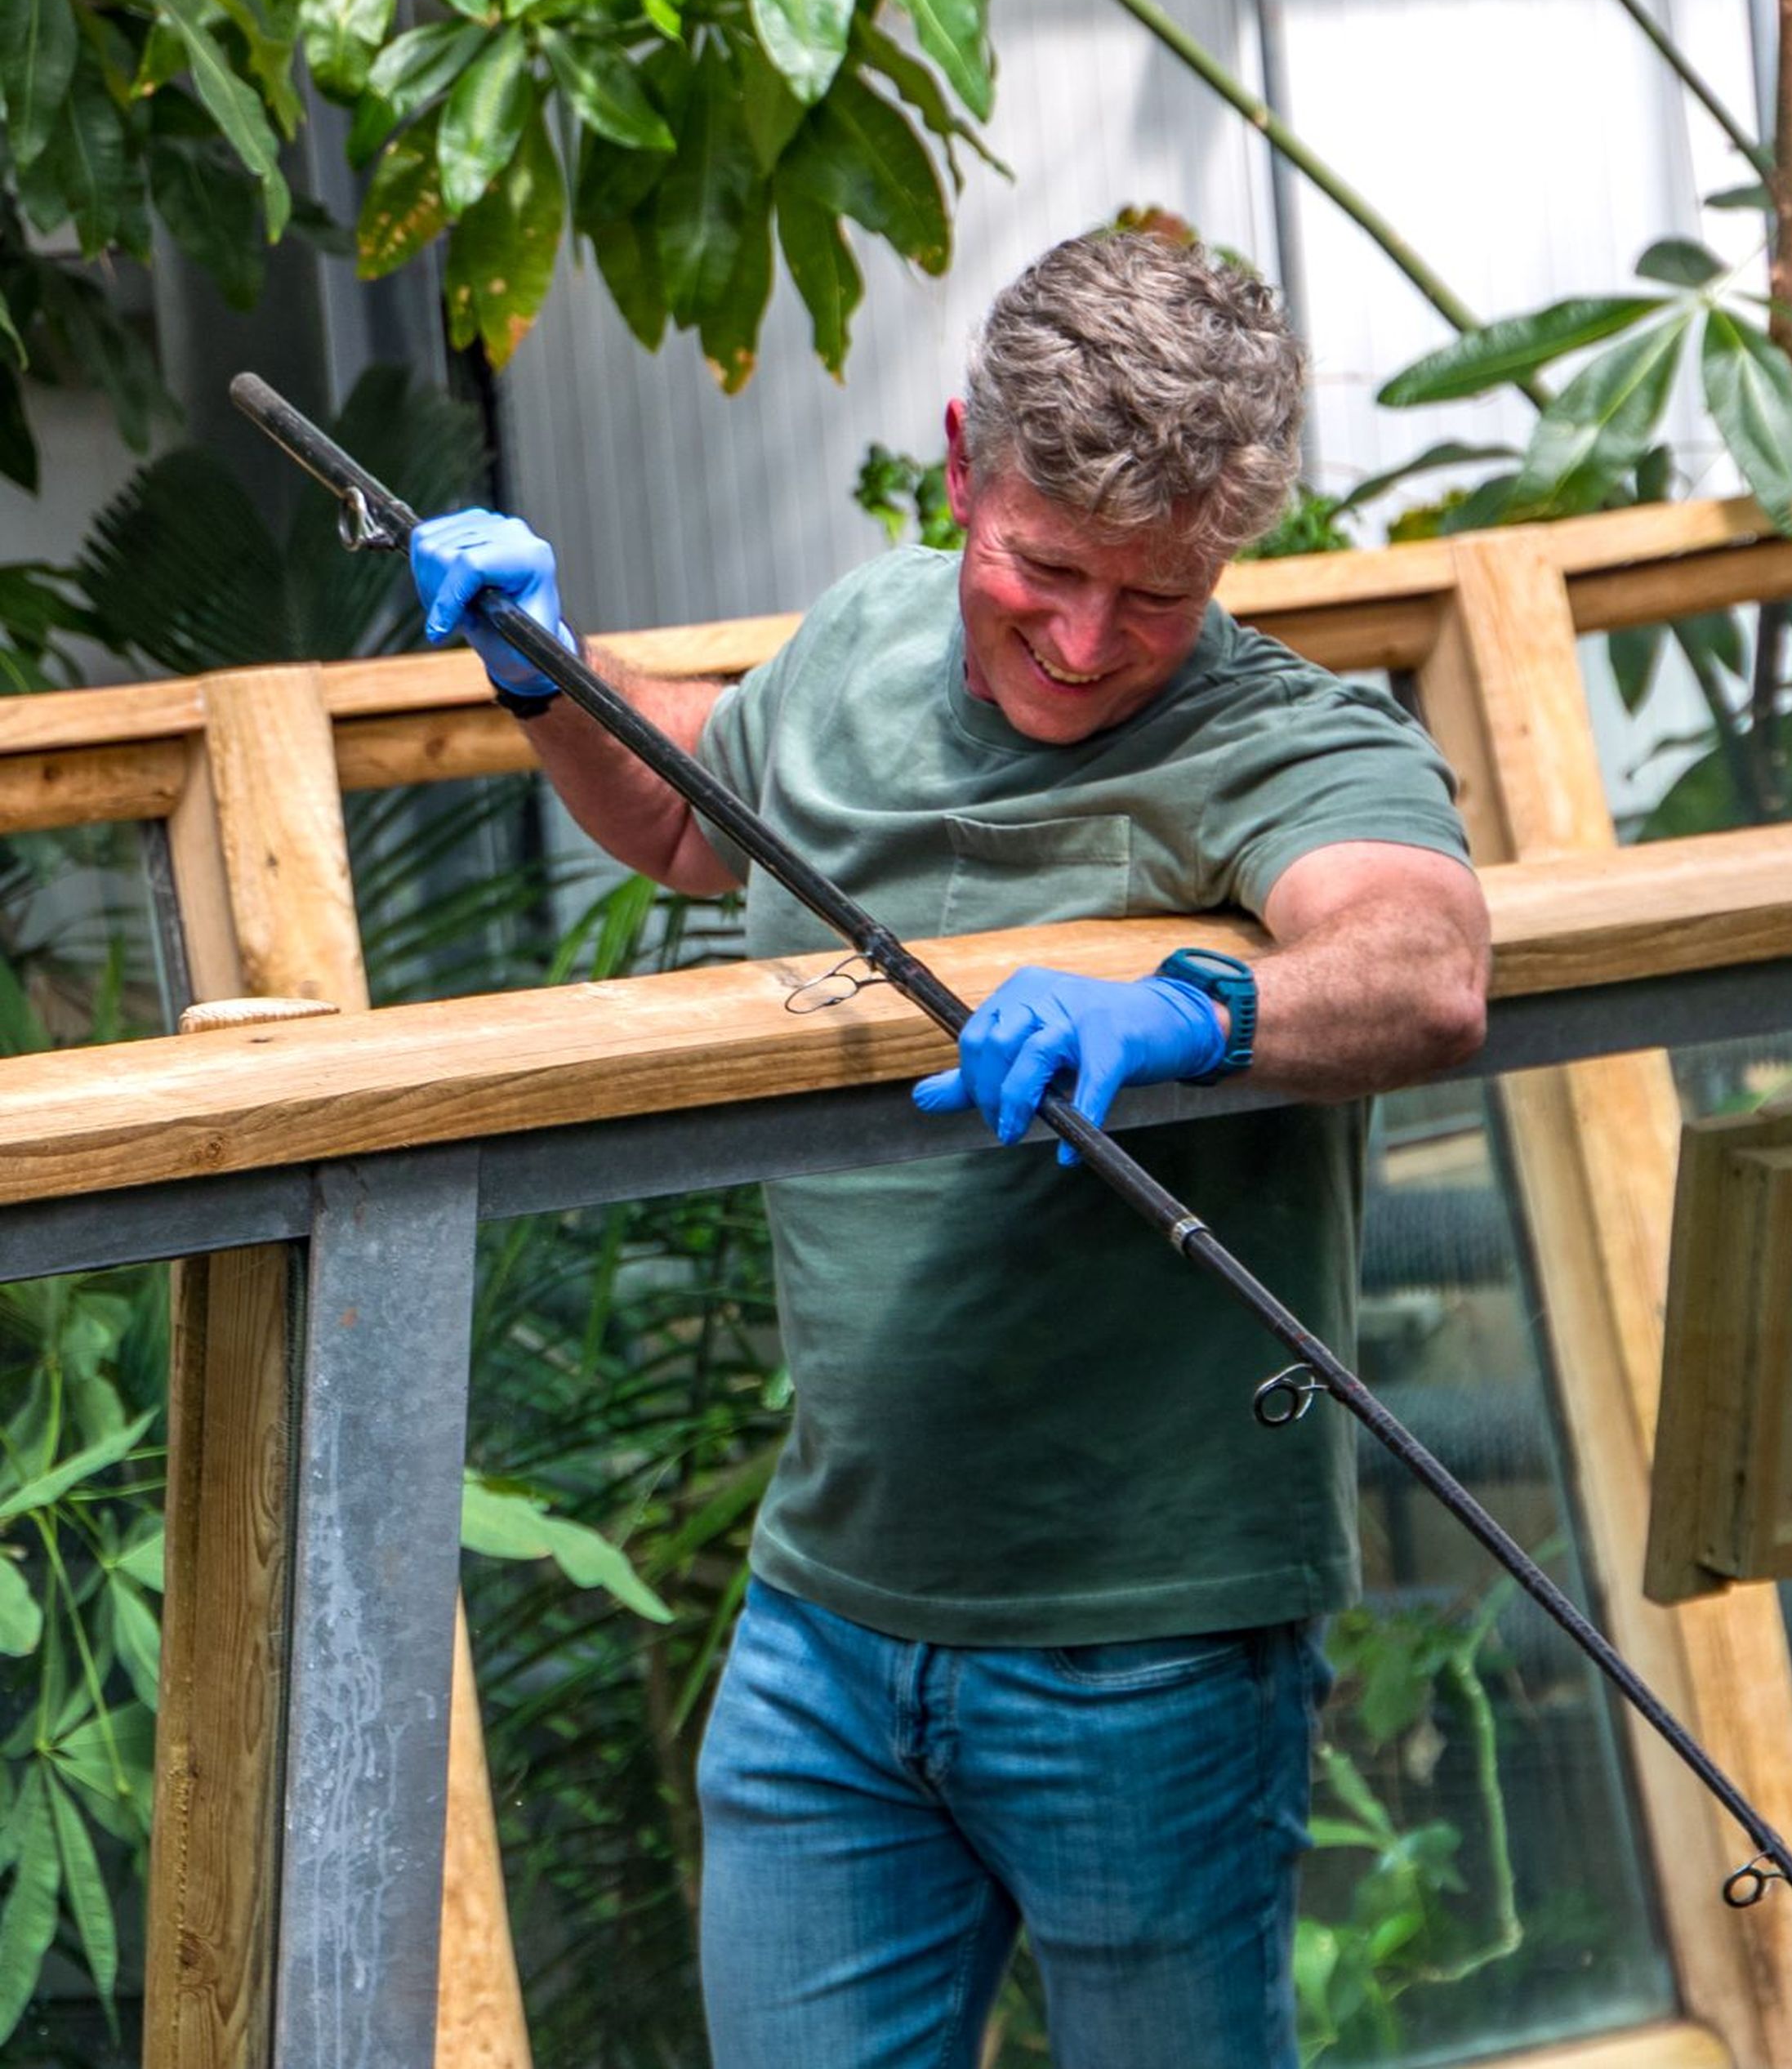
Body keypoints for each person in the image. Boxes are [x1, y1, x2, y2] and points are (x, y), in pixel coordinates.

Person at [408, 230, 1491, 2068]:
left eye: (1154, 597)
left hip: (1148, 1645)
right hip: (827, 1622)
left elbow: (1423, 963)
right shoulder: (859, 638)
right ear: (962, 458)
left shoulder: (1283, 736)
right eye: (1045, 569)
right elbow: (694, 825)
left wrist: (1184, 1013)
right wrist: (548, 673)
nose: (1085, 644)